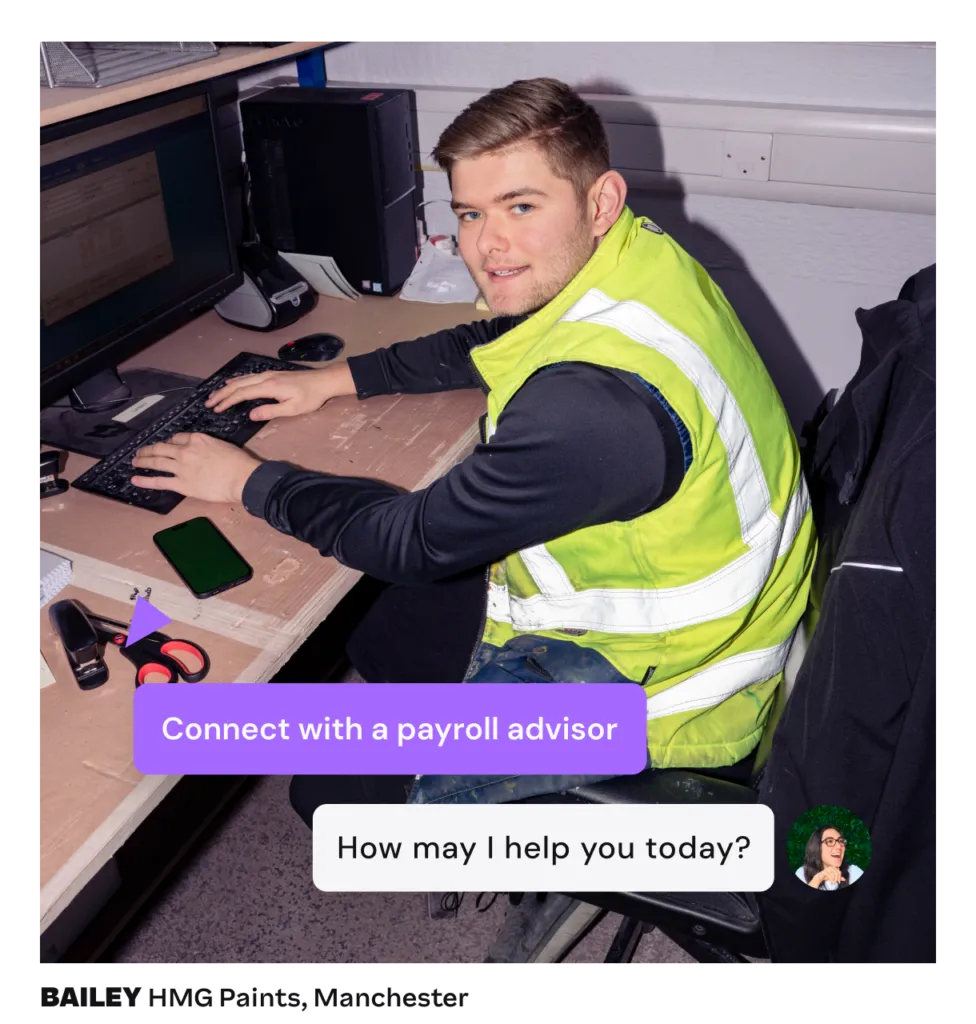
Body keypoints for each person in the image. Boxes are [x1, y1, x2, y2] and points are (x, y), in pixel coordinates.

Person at [129, 77, 817, 816]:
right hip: (683, 624)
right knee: (379, 632)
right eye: (469, 213)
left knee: (311, 784)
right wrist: (337, 379)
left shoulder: (593, 416)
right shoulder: (640, 262)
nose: (488, 245)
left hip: (658, 701)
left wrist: (247, 482)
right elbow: (505, 335)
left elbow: (409, 541)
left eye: (521, 207)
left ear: (600, 202)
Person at [796, 826, 864, 890]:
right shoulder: (802, 873)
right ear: (816, 847)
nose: (839, 847)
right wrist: (818, 879)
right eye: (830, 841)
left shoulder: (853, 873)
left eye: (841, 841)